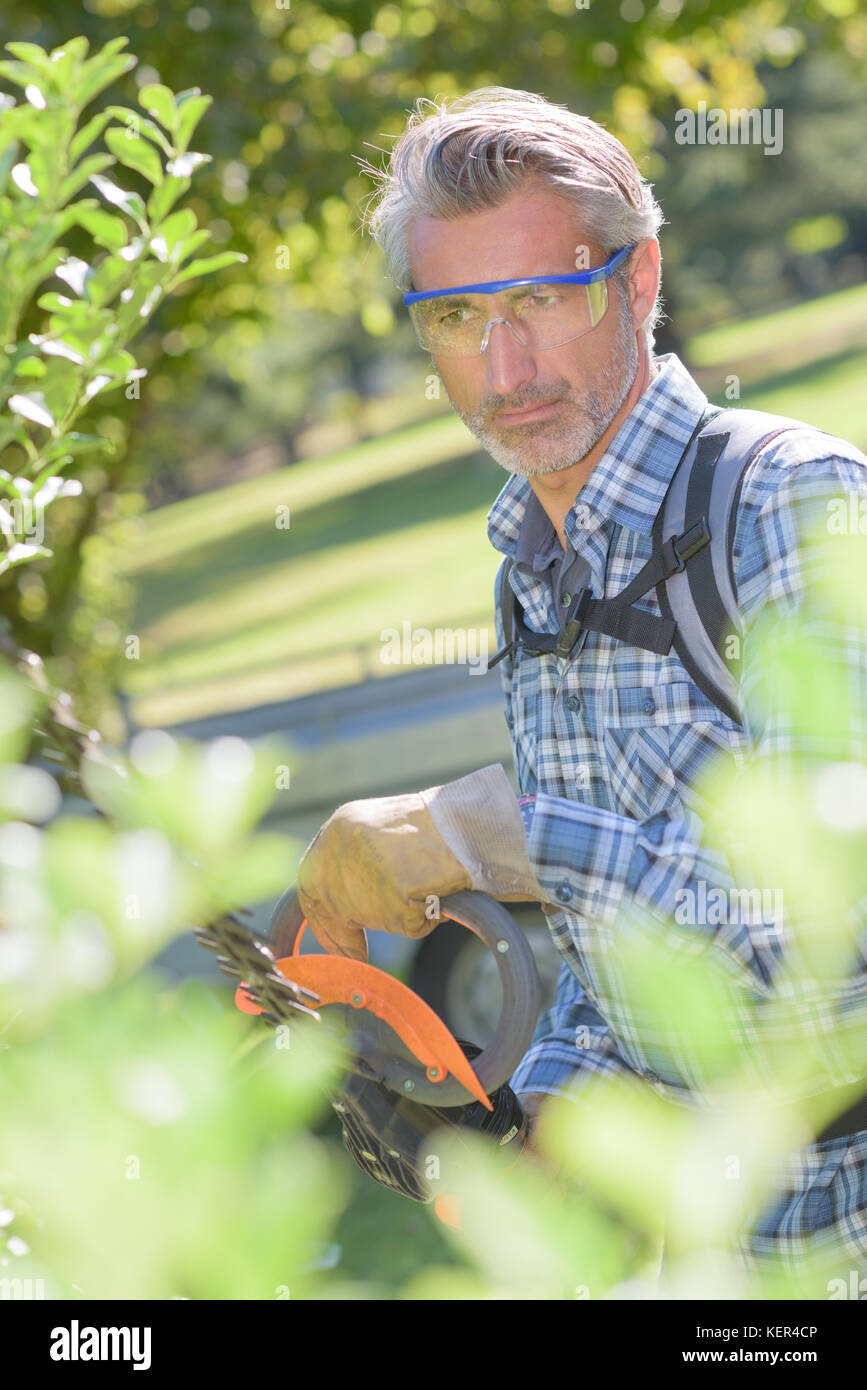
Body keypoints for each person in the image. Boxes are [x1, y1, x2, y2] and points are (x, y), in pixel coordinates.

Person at [295, 87, 867, 1279]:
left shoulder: (789, 505)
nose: (507, 365)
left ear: (639, 280)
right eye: (456, 317)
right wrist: (543, 1120)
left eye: (544, 299)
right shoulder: (535, 576)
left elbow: (831, 970)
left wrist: (481, 834)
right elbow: (624, 968)